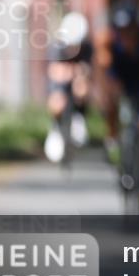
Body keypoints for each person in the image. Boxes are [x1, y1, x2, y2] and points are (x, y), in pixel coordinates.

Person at [94, 1, 139, 213]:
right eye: (122, 30)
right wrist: (106, 92)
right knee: (110, 105)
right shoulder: (106, 38)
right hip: (119, 80)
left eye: (130, 30)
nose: (126, 35)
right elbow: (103, 66)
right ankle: (113, 142)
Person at [44, 12, 94, 163]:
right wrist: (75, 71)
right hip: (60, 85)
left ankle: (79, 117)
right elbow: (55, 72)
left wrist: (78, 74)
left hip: (77, 82)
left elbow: (90, 70)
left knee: (82, 86)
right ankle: (56, 128)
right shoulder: (57, 47)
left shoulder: (87, 47)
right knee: (57, 102)